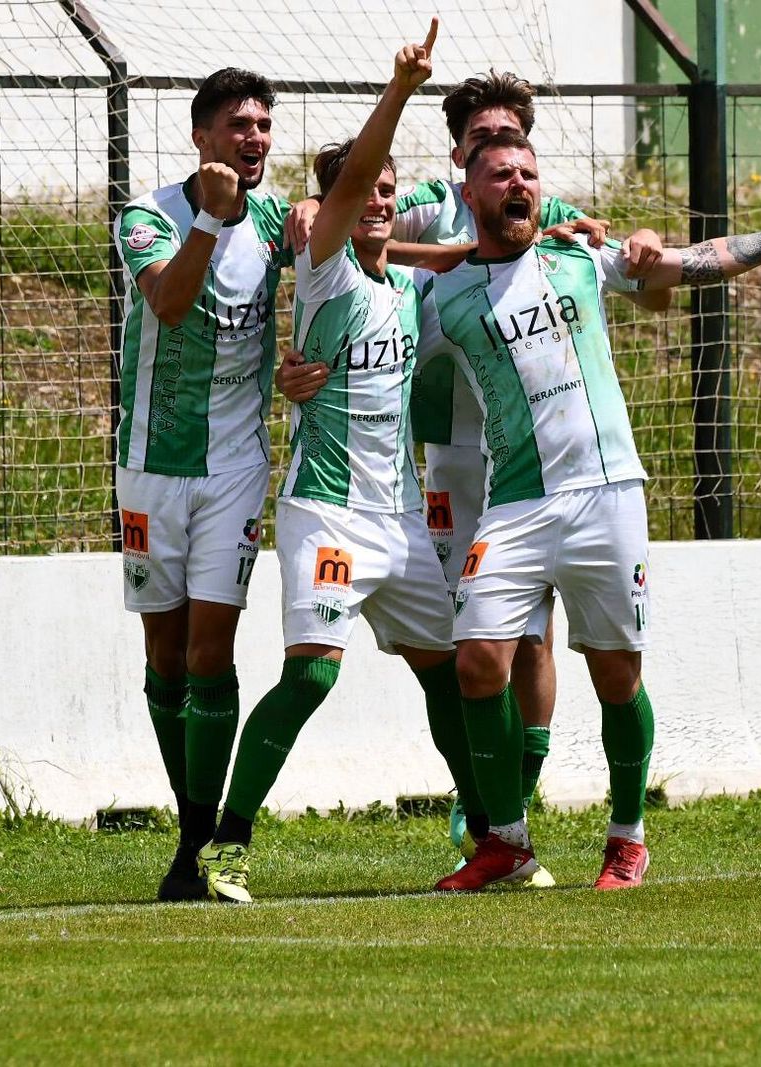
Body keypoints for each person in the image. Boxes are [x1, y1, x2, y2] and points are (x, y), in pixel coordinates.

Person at [429, 130, 761, 892]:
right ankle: (507, 842)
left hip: (605, 493)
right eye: (500, 175)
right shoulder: (446, 293)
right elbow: (372, 322)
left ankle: (627, 837)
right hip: (514, 502)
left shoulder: (580, 257)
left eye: (528, 171)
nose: (518, 183)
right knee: (478, 661)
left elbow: (694, 265)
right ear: (470, 191)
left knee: (616, 675)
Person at [282, 72, 671, 875]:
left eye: (513, 134)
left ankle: (516, 813)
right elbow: (361, 210)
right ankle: (498, 823)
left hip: (546, 460)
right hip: (450, 457)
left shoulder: (545, 212)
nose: (501, 152)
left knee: (538, 642)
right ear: (459, 148)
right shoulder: (429, 197)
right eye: (483, 137)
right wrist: (322, 213)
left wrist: (634, 244)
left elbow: (637, 275)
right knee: (480, 642)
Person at [195, 21, 475, 904]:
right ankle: (225, 846)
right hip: (328, 509)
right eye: (368, 191)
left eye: (392, 190)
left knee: (451, 677)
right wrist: (400, 91)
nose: (380, 198)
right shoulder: (327, 273)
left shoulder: (405, 289)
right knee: (312, 673)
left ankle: (496, 835)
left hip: (398, 520)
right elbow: (350, 185)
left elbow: (456, 231)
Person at [112, 67, 294, 902]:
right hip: (151, 466)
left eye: (262, 124)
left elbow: (369, 217)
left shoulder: (278, 219)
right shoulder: (149, 216)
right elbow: (172, 304)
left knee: (209, 650)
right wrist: (212, 225)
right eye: (237, 125)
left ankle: (198, 843)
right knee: (164, 657)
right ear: (200, 136)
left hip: (233, 469)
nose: (254, 138)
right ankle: (191, 822)